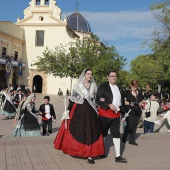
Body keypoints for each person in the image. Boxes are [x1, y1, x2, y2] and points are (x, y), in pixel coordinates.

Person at [54, 68, 105, 164]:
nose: (90, 76)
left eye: (91, 74)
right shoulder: (79, 85)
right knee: (79, 130)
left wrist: (101, 100)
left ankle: (90, 155)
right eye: (88, 74)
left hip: (91, 112)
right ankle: (76, 150)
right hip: (80, 111)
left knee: (91, 132)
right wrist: (68, 110)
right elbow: (73, 99)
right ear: (84, 75)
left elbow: (95, 99)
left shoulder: (94, 85)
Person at [95, 70, 127, 163]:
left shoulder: (120, 88)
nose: (114, 78)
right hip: (104, 114)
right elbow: (98, 99)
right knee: (102, 134)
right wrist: (108, 104)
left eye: (115, 76)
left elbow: (122, 102)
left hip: (116, 115)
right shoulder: (103, 86)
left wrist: (123, 114)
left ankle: (118, 156)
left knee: (116, 134)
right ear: (108, 77)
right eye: (112, 76)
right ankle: (100, 152)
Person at [122, 80, 144, 146]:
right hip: (130, 111)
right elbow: (124, 101)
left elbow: (143, 100)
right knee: (130, 125)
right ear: (131, 85)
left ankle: (132, 140)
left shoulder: (139, 92)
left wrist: (141, 103)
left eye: (136, 87)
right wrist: (129, 103)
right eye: (134, 87)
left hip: (138, 111)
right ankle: (124, 137)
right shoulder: (127, 92)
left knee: (135, 126)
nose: (135, 88)